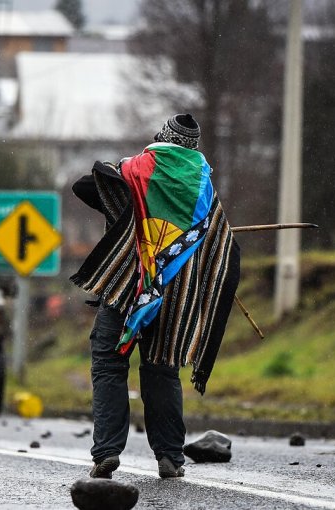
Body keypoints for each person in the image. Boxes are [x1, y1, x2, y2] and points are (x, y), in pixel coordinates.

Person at [70, 114, 241, 479]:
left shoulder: (135, 169)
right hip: (174, 297)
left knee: (109, 363)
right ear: (192, 148)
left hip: (128, 288)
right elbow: (218, 244)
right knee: (162, 370)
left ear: (161, 138)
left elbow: (84, 186)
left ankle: (107, 453)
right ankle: (169, 458)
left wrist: (122, 210)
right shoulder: (203, 186)